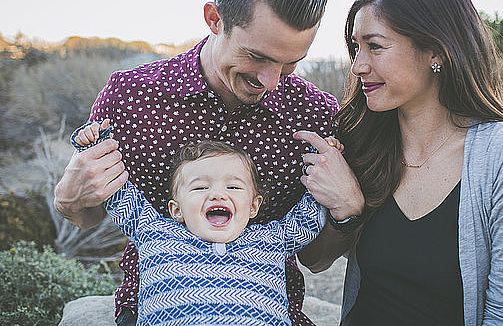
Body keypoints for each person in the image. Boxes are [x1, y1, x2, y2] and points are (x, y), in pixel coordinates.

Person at [53, 0, 363, 326]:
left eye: (291, 63)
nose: (271, 81)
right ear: (214, 19)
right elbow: (88, 215)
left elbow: (315, 259)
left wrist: (347, 210)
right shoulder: (131, 97)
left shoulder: (316, 116)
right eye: (257, 56)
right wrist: (68, 199)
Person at [295, 0, 503, 325]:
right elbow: (313, 260)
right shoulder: (360, 140)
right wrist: (347, 211)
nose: (357, 66)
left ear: (436, 51)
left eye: (375, 46)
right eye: (356, 47)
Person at [71, 120, 332, 326]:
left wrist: (320, 162)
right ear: (176, 210)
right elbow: (118, 194)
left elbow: (310, 214)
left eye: (233, 186)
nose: (218, 194)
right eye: (200, 187)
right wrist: (95, 146)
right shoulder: (154, 231)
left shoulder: (272, 238)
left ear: (254, 206)